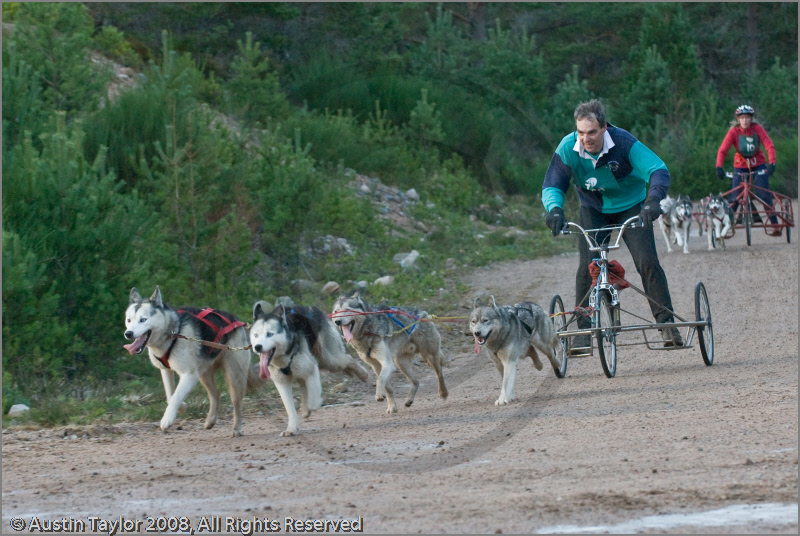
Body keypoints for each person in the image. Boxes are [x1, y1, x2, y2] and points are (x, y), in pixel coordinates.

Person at [542, 99, 682, 352]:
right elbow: (553, 183)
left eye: (592, 132)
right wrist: (554, 210)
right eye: (581, 132)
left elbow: (658, 170)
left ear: (604, 127)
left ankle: (666, 324)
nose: (586, 138)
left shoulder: (624, 143)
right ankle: (584, 331)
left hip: (632, 205)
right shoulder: (568, 147)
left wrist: (653, 200)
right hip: (593, 210)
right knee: (587, 267)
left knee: (647, 262)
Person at [715, 104, 779, 235]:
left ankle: (775, 225)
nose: (745, 120)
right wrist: (719, 167)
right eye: (742, 117)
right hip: (740, 165)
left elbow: (769, 145)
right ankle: (727, 225)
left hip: (759, 164)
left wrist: (772, 163)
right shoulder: (733, 132)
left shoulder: (757, 129)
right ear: (738, 119)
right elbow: (723, 150)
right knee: (735, 197)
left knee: (764, 195)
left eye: (747, 117)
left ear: (751, 119)